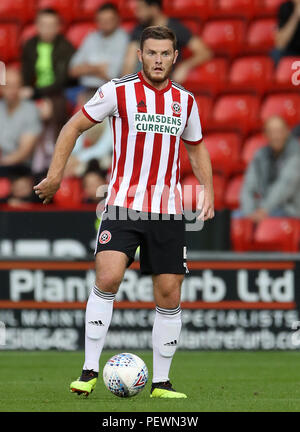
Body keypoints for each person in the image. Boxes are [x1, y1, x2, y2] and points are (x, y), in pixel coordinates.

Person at [34, 25, 214, 399]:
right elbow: (73, 126)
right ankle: (88, 370)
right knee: (110, 274)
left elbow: (196, 149)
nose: (159, 60)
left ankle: (161, 383)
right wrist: (55, 177)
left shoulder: (186, 101)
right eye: (152, 53)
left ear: (175, 56)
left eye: (165, 53)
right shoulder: (118, 91)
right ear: (140, 54)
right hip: (122, 204)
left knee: (168, 292)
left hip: (167, 211)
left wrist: (208, 191)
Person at [122, 0, 212, 83]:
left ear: (154, 8)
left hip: (163, 84)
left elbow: (204, 52)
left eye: (140, 9)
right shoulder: (139, 29)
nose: (137, 14)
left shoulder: (176, 28)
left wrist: (185, 66)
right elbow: (129, 62)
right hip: (140, 84)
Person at [239, 116, 300, 222]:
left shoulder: (296, 154)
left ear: (287, 132)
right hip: (265, 209)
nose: (275, 136)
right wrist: (248, 213)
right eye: (271, 132)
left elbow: (284, 186)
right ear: (265, 135)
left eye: (279, 131)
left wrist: (264, 210)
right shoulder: (260, 155)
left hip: (291, 211)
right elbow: (248, 186)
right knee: (234, 218)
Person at [69, 2, 129, 94]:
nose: (105, 23)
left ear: (118, 20)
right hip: (83, 88)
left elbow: (113, 75)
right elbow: (72, 70)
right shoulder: (91, 37)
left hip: (109, 91)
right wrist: (98, 68)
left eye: (109, 20)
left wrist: (87, 67)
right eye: (102, 20)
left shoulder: (123, 38)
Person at [21, 8, 75, 100]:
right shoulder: (30, 45)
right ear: (37, 26)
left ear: (58, 27)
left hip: (58, 93)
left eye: (51, 25)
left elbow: (61, 81)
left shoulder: (66, 47)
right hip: (33, 91)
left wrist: (36, 92)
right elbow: (25, 73)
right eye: (43, 25)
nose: (47, 29)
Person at [0, 68, 42, 176]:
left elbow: (24, 153)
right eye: (8, 86)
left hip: (21, 169)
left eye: (15, 85)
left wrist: (2, 162)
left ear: (21, 87)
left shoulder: (31, 110)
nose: (12, 90)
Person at [272, 0, 300, 64]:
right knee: (276, 53)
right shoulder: (285, 8)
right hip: (290, 51)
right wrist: (295, 16)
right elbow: (280, 44)